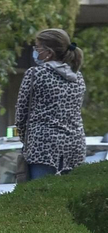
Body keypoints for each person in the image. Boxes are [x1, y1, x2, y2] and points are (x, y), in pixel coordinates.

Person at [16, 27, 87, 179]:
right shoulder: (77, 77)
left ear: (49, 53)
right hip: (75, 147)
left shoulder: (35, 74)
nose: (35, 51)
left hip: (42, 149)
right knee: (69, 197)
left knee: (41, 198)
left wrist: (28, 140)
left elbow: (21, 116)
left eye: (38, 48)